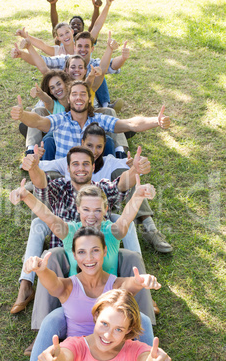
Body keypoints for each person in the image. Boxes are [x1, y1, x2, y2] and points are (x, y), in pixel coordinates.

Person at [19, 229, 175, 361]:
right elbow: (53, 282)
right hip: (77, 356)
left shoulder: (115, 286)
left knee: (149, 341)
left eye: (95, 250)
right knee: (52, 355)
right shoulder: (69, 287)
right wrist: (41, 271)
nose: (89, 258)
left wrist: (139, 282)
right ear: (74, 255)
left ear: (105, 251)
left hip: (117, 350)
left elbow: (129, 284)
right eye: (81, 252)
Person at [9, 146, 149, 317]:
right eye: (86, 210)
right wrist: (26, 195)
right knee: (54, 319)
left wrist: (139, 194)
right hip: (75, 302)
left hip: (109, 301)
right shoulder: (71, 232)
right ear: (79, 210)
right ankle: (39, 329)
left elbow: (126, 216)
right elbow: (47, 216)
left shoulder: (110, 232)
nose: (91, 215)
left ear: (106, 210)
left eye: (97, 210)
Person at [38, 122, 173, 253]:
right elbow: (41, 171)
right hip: (69, 204)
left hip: (105, 203)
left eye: (99, 147)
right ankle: (39, 240)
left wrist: (136, 167)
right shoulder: (71, 161)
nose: (94, 151)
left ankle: (150, 228)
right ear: (82, 143)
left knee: (130, 179)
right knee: (46, 184)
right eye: (89, 145)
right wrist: (33, 163)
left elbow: (125, 179)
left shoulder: (108, 163)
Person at [11, 80, 170, 160]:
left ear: (89, 100)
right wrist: (23, 115)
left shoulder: (98, 120)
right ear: (69, 99)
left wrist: (156, 121)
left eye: (83, 94)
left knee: (125, 172)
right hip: (63, 175)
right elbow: (38, 121)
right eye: (74, 94)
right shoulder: (60, 119)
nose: (78, 97)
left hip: (93, 178)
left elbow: (130, 124)